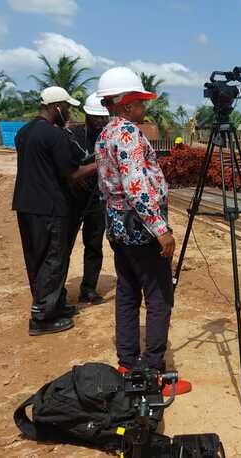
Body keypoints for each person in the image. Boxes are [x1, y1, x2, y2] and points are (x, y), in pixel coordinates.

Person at [95, 67, 177, 374]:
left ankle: (127, 364)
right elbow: (136, 186)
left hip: (117, 226)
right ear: (127, 105)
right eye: (140, 103)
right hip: (140, 227)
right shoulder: (128, 133)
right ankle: (153, 369)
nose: (144, 109)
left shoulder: (105, 134)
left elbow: (108, 185)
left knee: (127, 292)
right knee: (158, 297)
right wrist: (160, 229)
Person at [12, 86, 96, 336]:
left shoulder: (24, 132)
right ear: (56, 107)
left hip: (26, 205)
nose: (68, 113)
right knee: (52, 259)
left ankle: (53, 305)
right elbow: (72, 174)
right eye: (67, 108)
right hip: (50, 207)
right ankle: (42, 318)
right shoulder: (54, 135)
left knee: (36, 258)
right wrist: (99, 163)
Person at [66, 92, 109, 305]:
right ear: (86, 115)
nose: (100, 122)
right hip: (72, 200)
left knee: (94, 245)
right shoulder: (71, 136)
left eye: (104, 118)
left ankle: (89, 289)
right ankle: (57, 291)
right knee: (64, 245)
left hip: (97, 201)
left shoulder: (109, 136)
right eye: (96, 117)